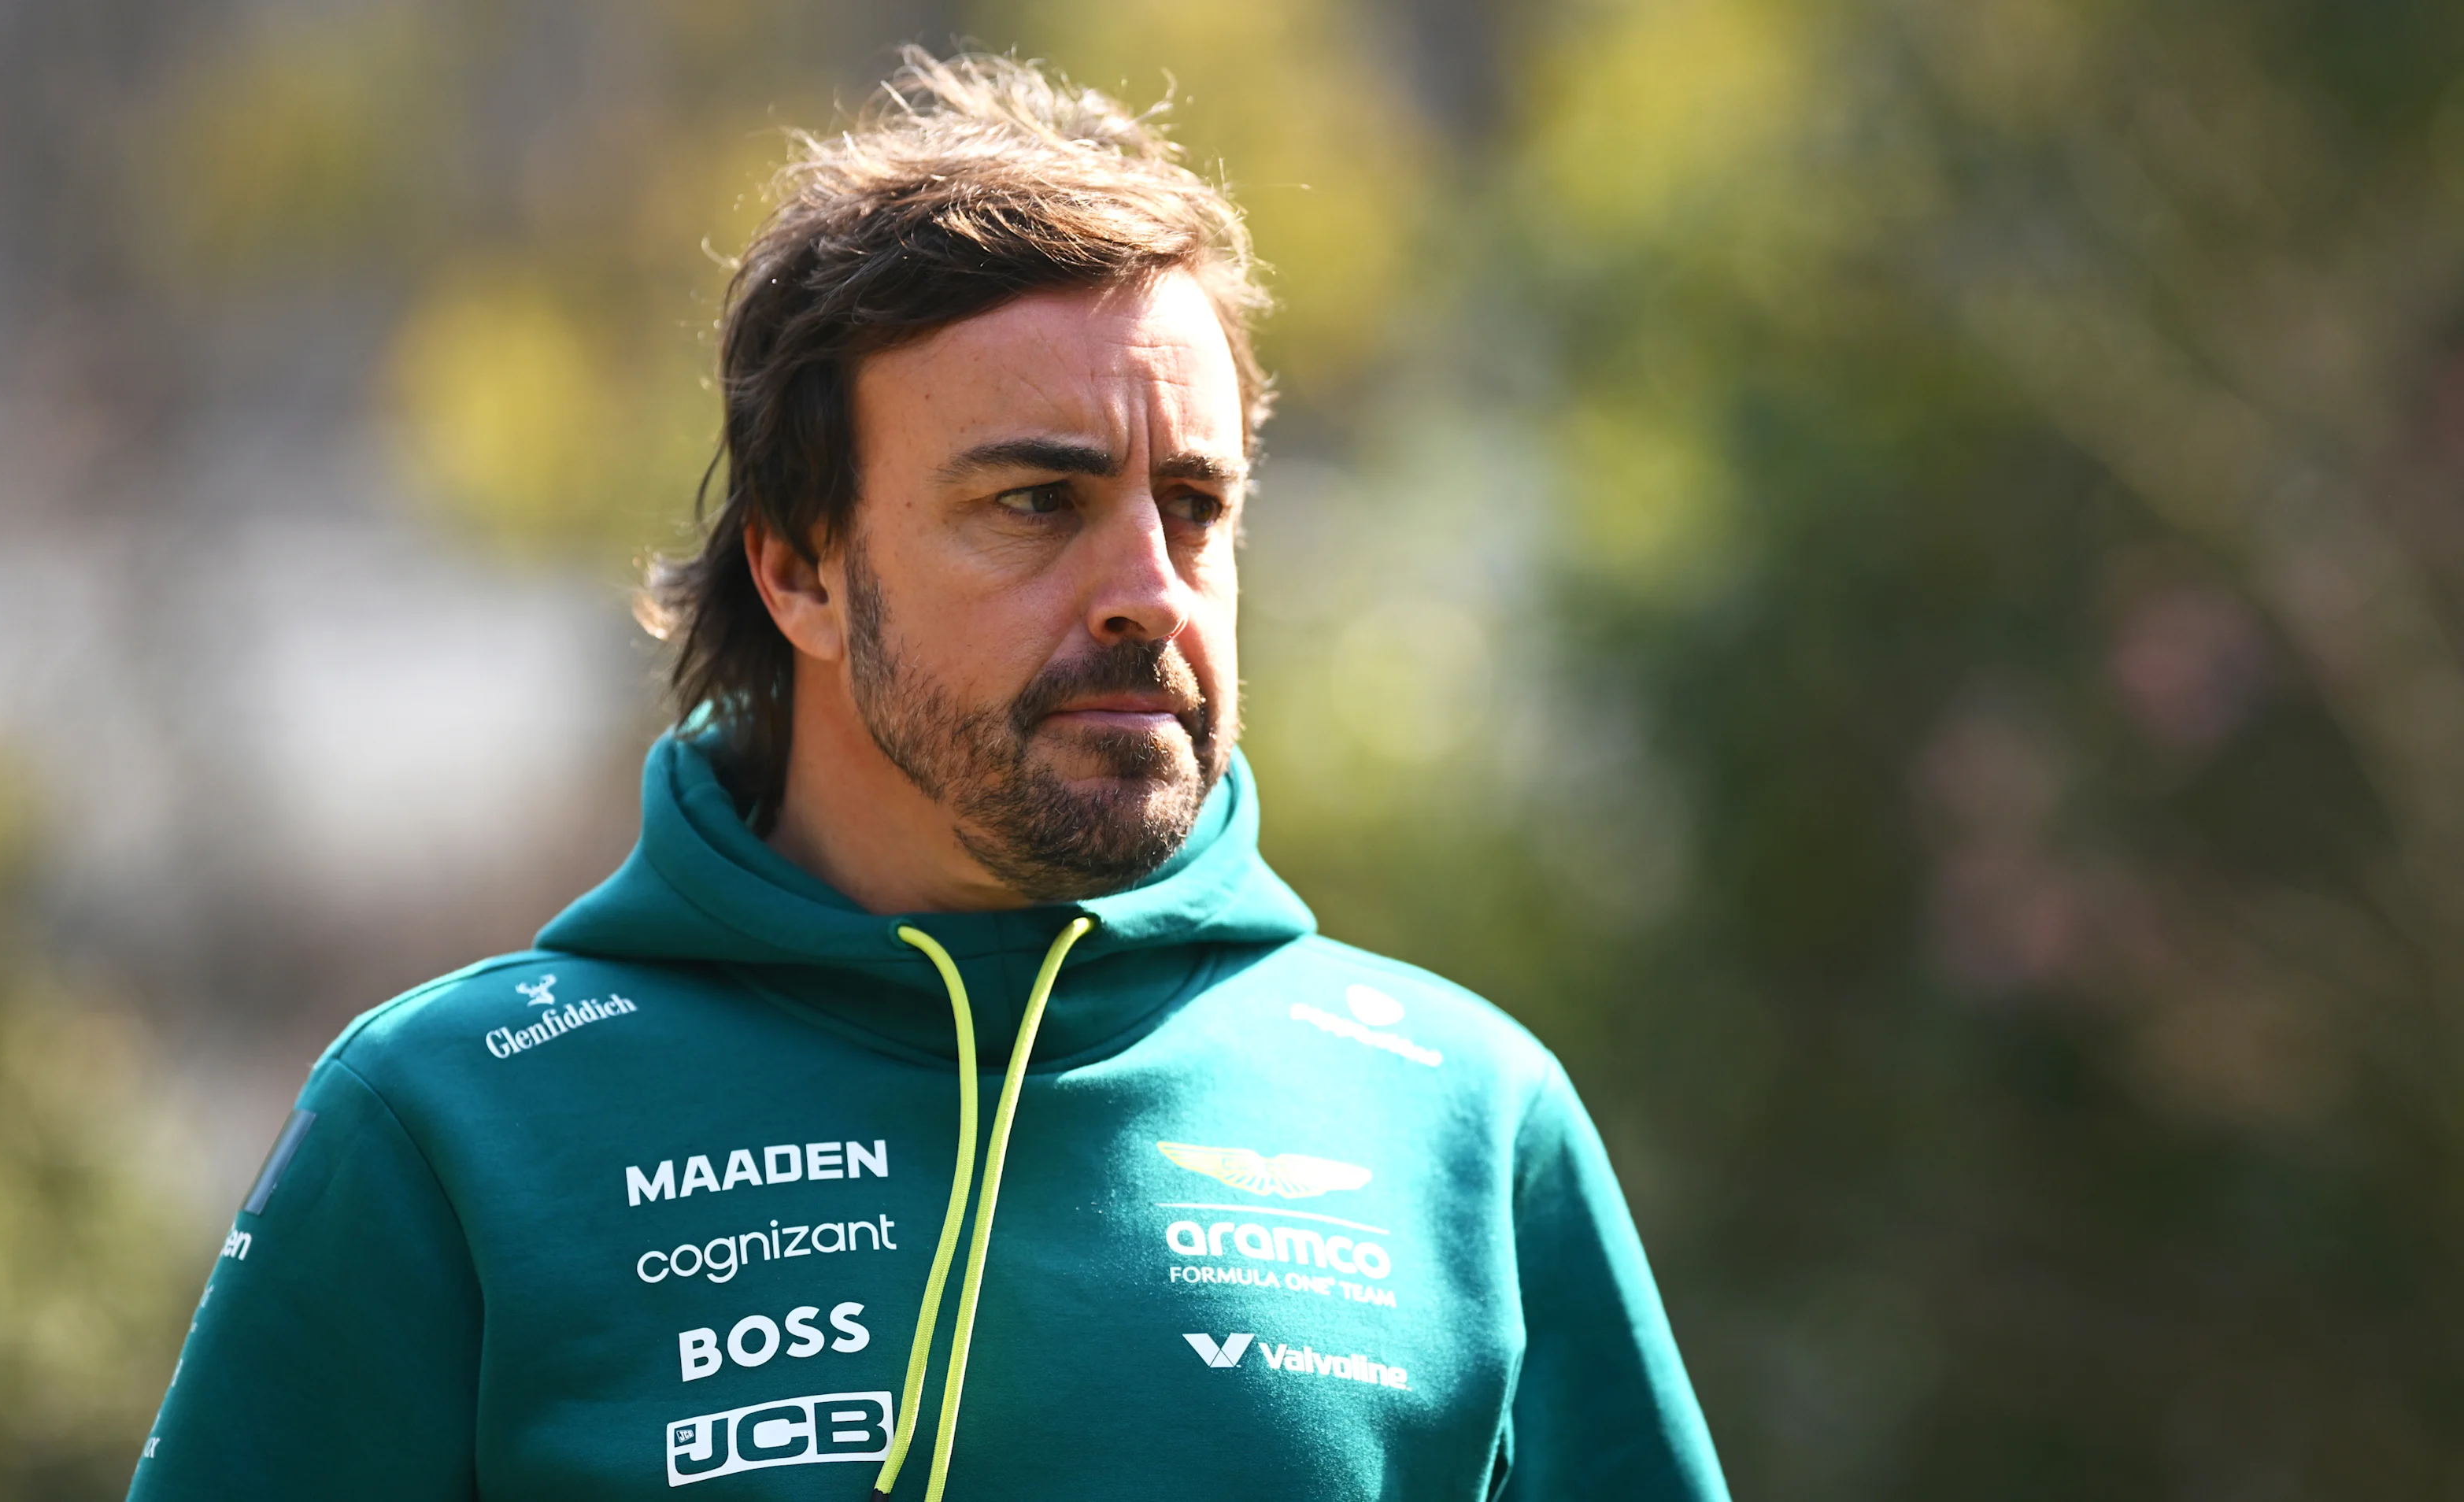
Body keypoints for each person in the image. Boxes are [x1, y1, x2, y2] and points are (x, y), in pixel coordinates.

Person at [127, 48, 1728, 1502]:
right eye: (1038, 503)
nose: (1149, 591)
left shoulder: (1464, 1123)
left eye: (1194, 506)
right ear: (800, 570)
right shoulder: (450, 1126)